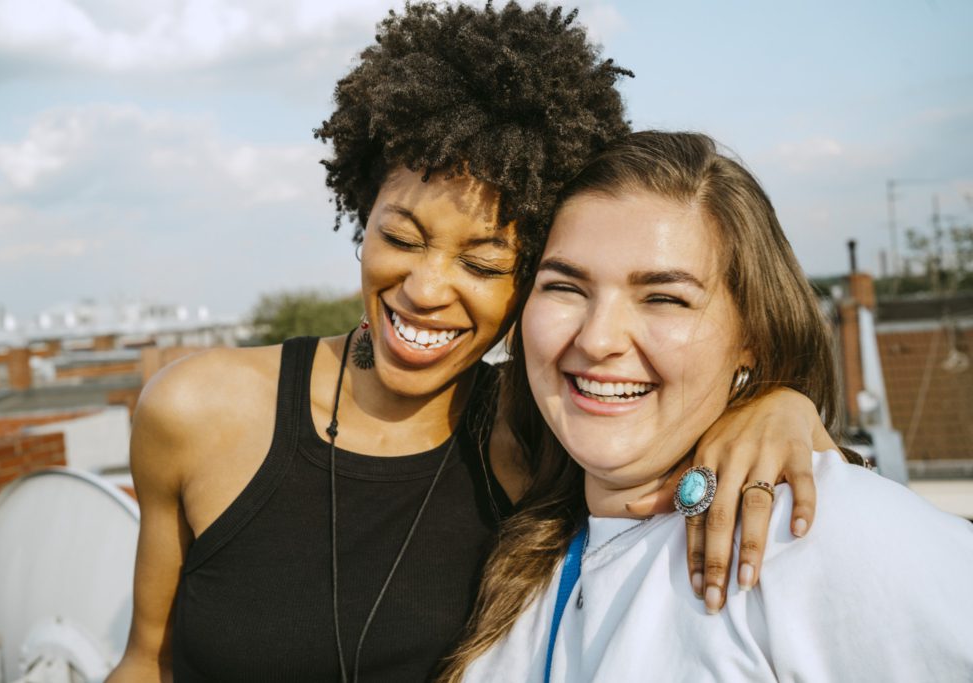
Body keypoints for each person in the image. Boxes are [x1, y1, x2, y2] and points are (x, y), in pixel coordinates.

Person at [108, 6, 838, 682]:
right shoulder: (196, 410)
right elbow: (146, 662)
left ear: (533, 281)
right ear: (362, 213)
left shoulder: (547, 438)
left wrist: (778, 404)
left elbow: (682, 403)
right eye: (399, 237)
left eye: (484, 264)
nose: (425, 288)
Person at [445, 131, 973, 682]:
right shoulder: (517, 542)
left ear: (752, 337)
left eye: (665, 298)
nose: (598, 340)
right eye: (565, 287)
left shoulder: (816, 531)